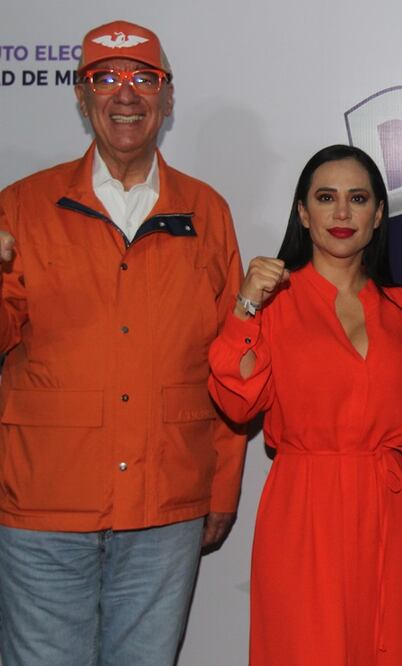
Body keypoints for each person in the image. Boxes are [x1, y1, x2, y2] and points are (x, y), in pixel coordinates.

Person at [0, 20, 245, 664]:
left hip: (165, 509)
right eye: (105, 78)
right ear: (81, 98)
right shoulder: (21, 207)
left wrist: (220, 489)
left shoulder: (208, 211)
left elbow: (232, 359)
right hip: (43, 505)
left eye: (144, 78)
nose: (126, 94)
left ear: (167, 98)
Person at [207, 145, 402, 664]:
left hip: (389, 511)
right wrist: (245, 306)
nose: (341, 213)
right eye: (325, 198)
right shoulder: (272, 302)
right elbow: (236, 403)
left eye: (357, 199)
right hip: (304, 508)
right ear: (303, 213)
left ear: (378, 215)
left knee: (390, 648)